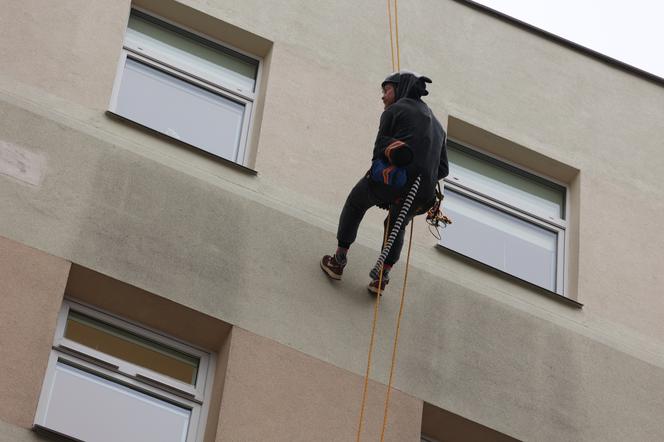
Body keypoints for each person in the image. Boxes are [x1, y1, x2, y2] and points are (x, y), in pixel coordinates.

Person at [320, 70, 449, 294]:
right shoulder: (439, 127)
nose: (383, 97)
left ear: (399, 90)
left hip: (393, 180)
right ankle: (382, 277)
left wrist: (383, 173)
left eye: (386, 90)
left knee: (356, 202)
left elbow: (380, 147)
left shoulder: (396, 110)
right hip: (422, 195)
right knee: (396, 223)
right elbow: (444, 169)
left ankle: (338, 261)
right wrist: (420, 178)